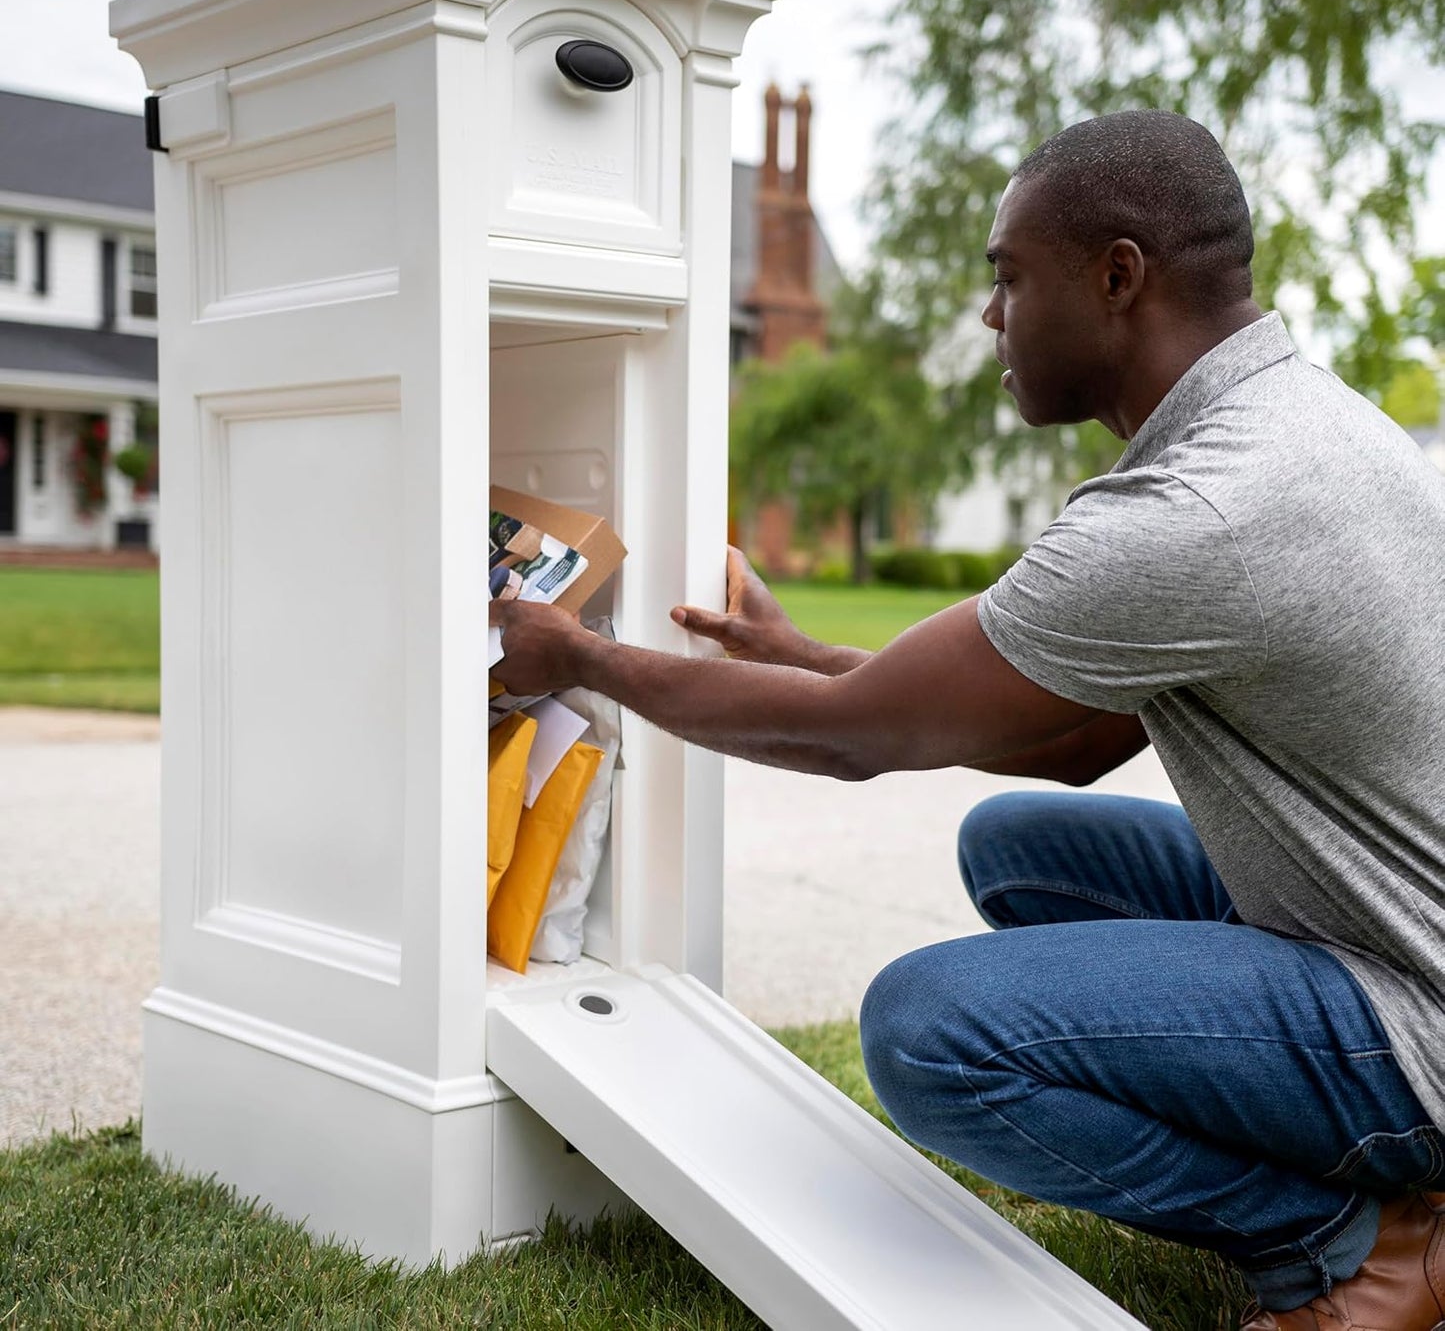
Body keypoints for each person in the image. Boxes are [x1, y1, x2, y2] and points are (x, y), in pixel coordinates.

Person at [490, 110, 1445, 1329]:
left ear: (1114, 275)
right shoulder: (1294, 422)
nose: (989, 317)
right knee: (1022, 848)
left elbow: (849, 739)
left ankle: (1360, 1242)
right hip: (1387, 928)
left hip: (1413, 1014)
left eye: (1005, 277)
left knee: (931, 1032)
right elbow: (1079, 735)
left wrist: (577, 654)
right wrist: (805, 657)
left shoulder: (1202, 505)